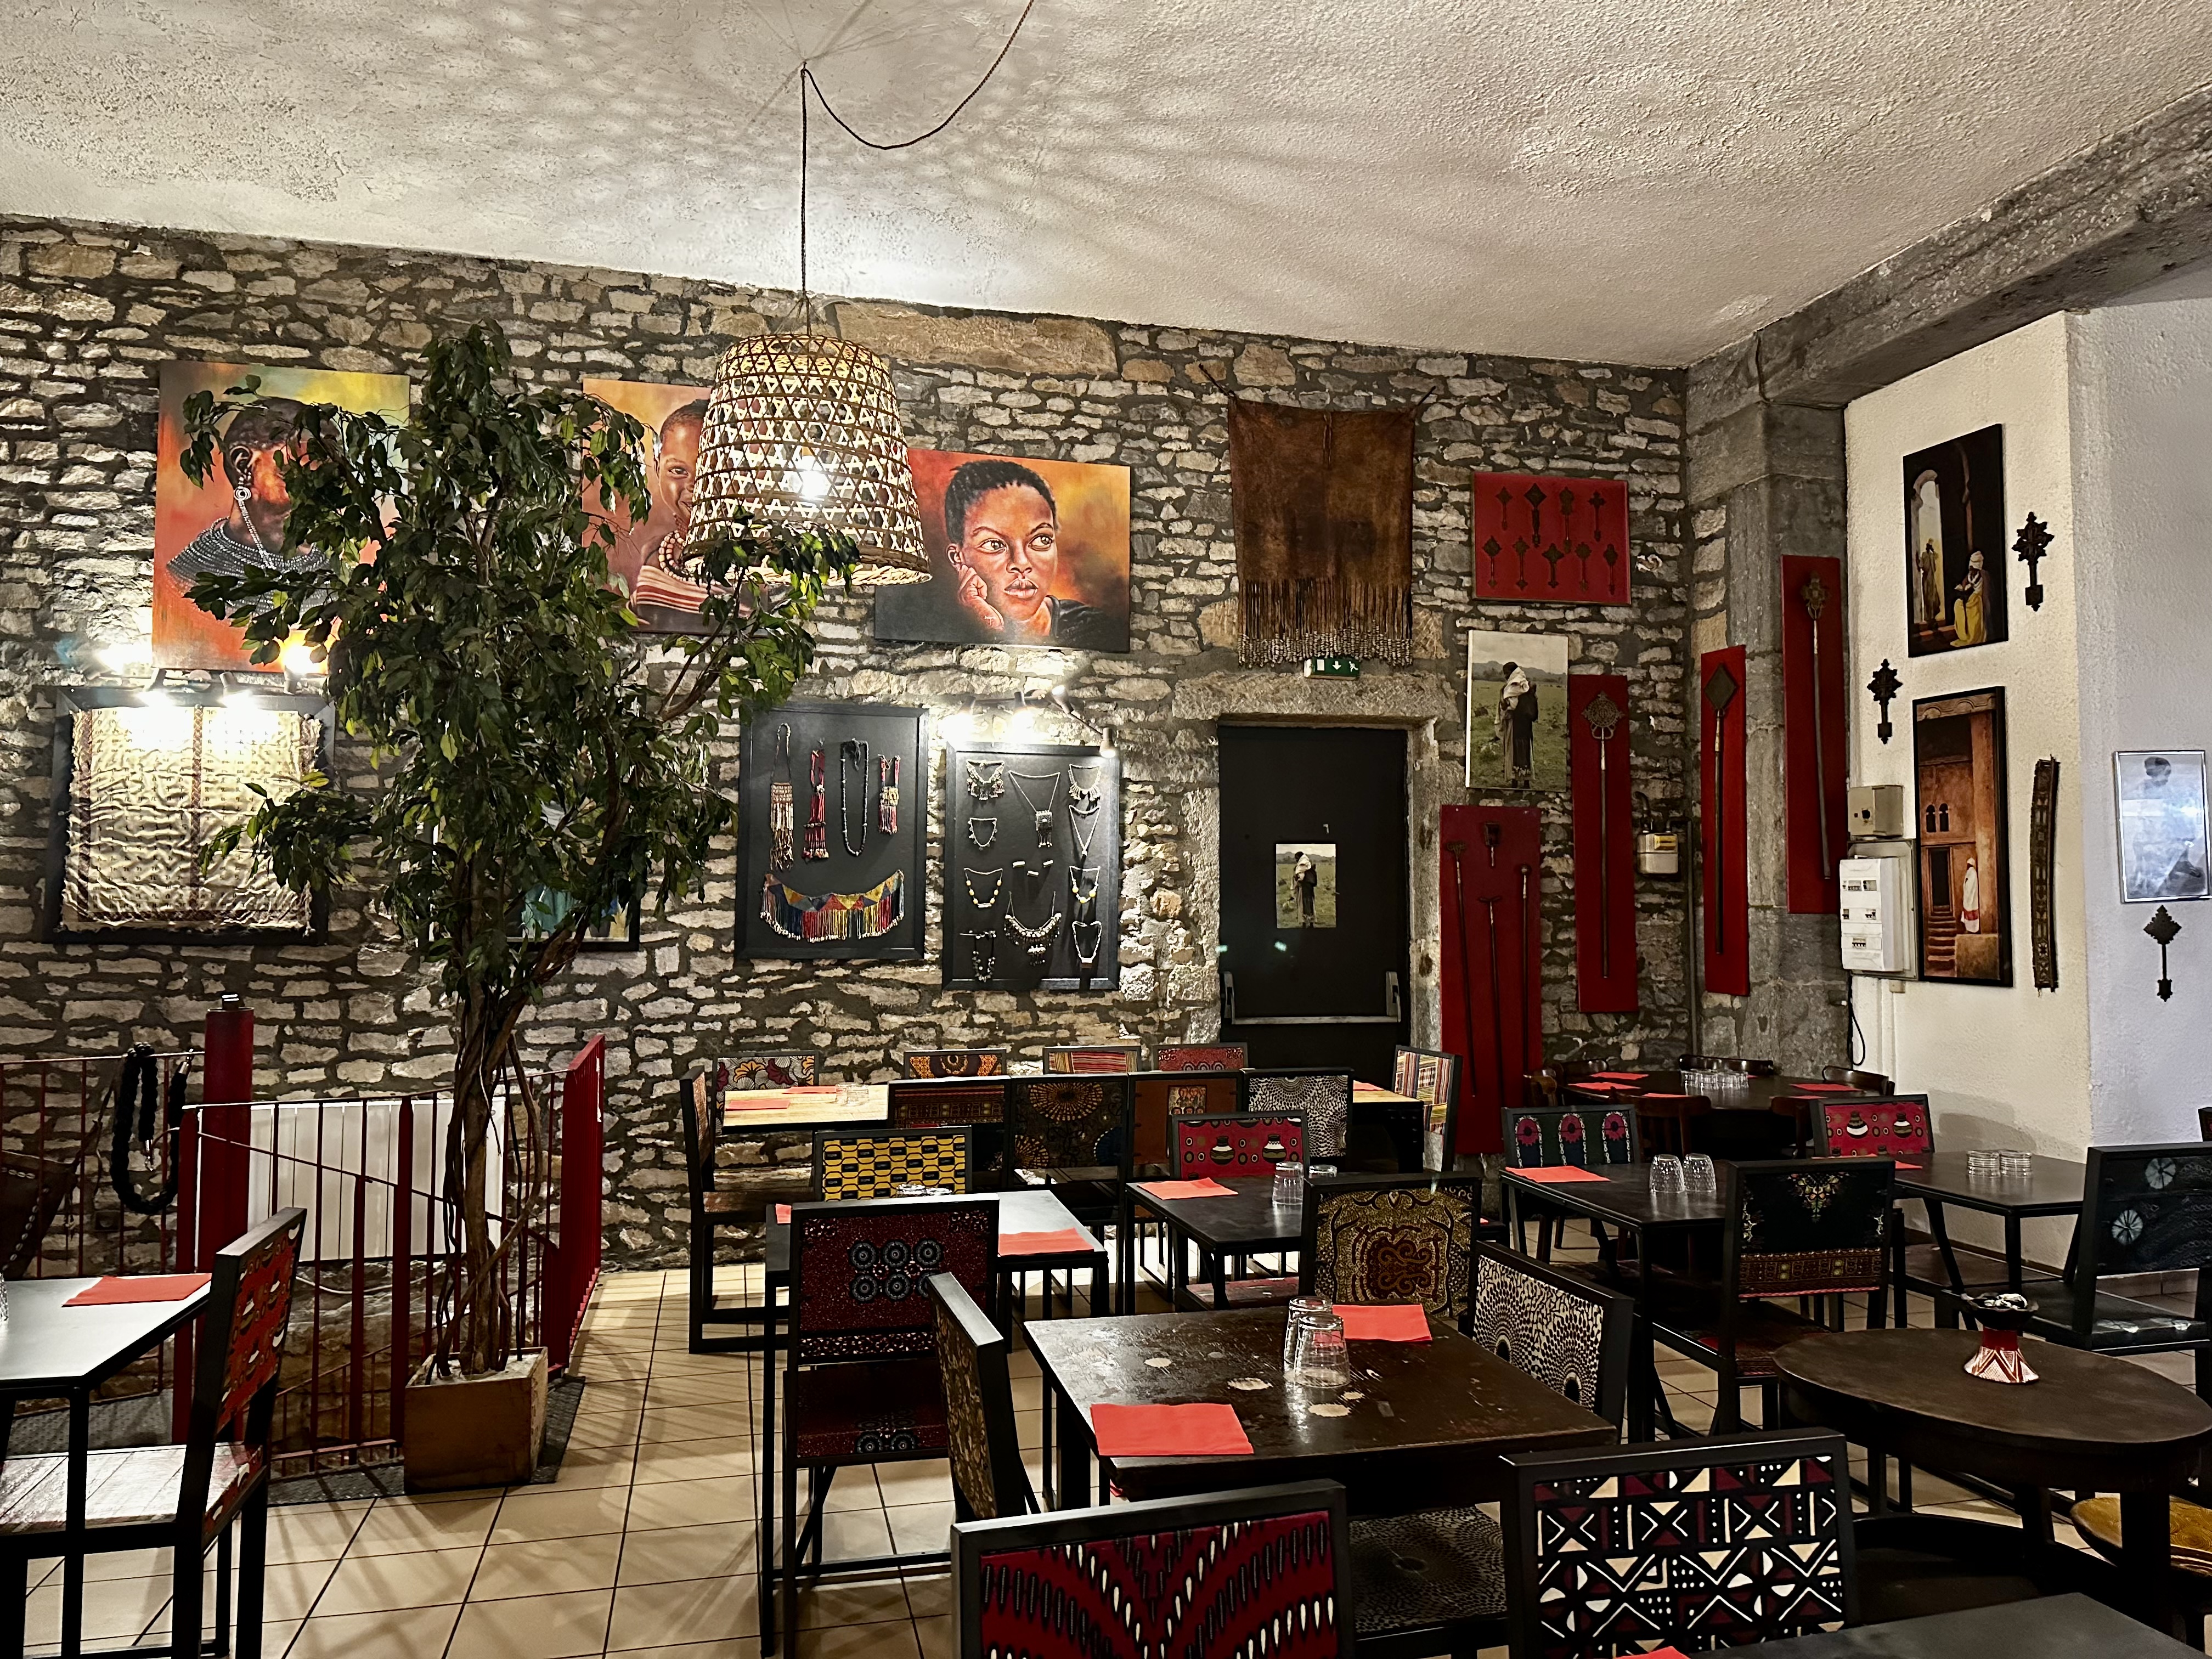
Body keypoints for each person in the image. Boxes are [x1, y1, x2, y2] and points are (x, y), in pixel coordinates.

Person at [938, 459, 1118, 648]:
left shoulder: (1097, 630)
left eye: (1041, 540)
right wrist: (989, 627)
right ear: (957, 558)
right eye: (994, 544)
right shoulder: (942, 634)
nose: (1022, 563)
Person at [169, 398, 318, 586]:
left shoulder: (330, 566)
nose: (314, 490)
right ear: (243, 464)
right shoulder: (187, 576)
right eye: (293, 473)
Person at [627, 401, 710, 629]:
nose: (695, 485)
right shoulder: (653, 551)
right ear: (657, 467)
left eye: (709, 470)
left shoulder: (752, 565)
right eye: (679, 471)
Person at [1496, 661, 1539, 787]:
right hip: (1526, 725)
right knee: (1525, 751)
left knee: (1514, 750)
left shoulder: (1511, 688)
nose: (1505, 676)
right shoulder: (1527, 687)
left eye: (1507, 673)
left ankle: (1515, 780)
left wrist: (1503, 700)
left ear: (1512, 673)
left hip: (1515, 724)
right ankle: (1526, 781)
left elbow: (1507, 706)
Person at [1949, 548, 1987, 647]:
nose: (1972, 570)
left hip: (1976, 599)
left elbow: (1975, 590)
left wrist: (1967, 592)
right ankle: (1963, 635)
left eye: (1974, 568)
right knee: (1958, 604)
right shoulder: (1969, 575)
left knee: (1972, 610)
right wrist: (1962, 588)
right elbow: (1965, 585)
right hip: (1968, 597)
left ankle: (1973, 637)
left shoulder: (1980, 577)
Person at [1293, 850, 1317, 927]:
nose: (1296, 860)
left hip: (1303, 889)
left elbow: (1298, 879)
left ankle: (1305, 923)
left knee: (1303, 905)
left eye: (1297, 858)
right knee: (1310, 905)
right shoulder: (1310, 867)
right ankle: (1311, 923)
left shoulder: (1299, 868)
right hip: (1310, 889)